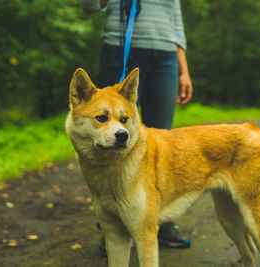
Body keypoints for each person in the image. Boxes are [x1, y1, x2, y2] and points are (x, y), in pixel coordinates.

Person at [79, 0, 193, 255]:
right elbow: (89, 6)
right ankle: (112, 225)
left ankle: (160, 221)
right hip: (121, 48)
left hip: (165, 56)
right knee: (111, 139)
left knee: (162, 142)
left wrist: (183, 70)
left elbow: (176, 21)